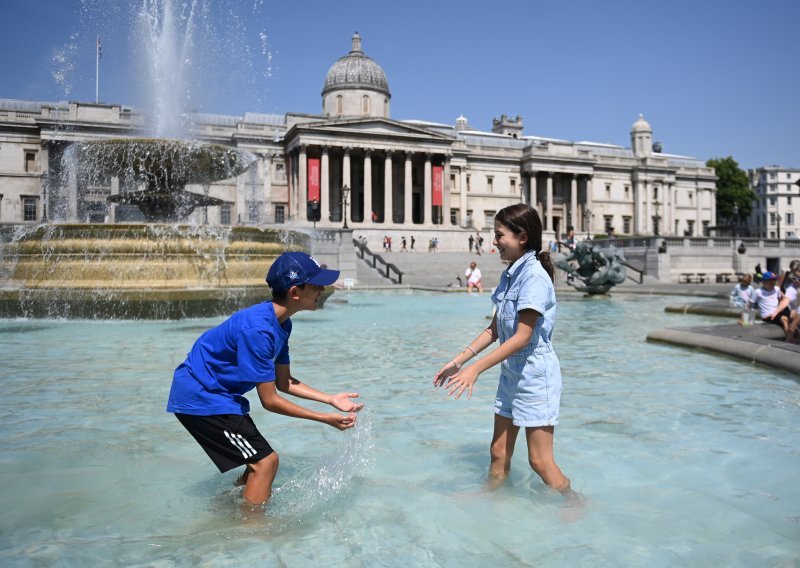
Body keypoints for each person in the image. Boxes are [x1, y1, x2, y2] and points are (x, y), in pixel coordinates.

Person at [166, 252, 364, 507]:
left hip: (218, 395)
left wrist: (330, 399)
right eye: (316, 285)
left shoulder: (282, 324)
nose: (322, 290)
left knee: (256, 463)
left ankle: (228, 506)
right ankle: (252, 531)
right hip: (201, 397)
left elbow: (285, 382)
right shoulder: (258, 330)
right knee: (266, 462)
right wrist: (324, 419)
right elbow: (270, 400)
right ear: (295, 292)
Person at [433, 203, 574, 496]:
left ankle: (574, 503)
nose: (494, 242)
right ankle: (491, 503)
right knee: (498, 452)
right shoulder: (511, 274)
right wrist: (458, 361)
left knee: (540, 461)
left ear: (521, 237)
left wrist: (476, 369)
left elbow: (522, 337)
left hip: (536, 376)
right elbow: (494, 330)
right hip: (512, 373)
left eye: (499, 235)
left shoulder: (534, 277)